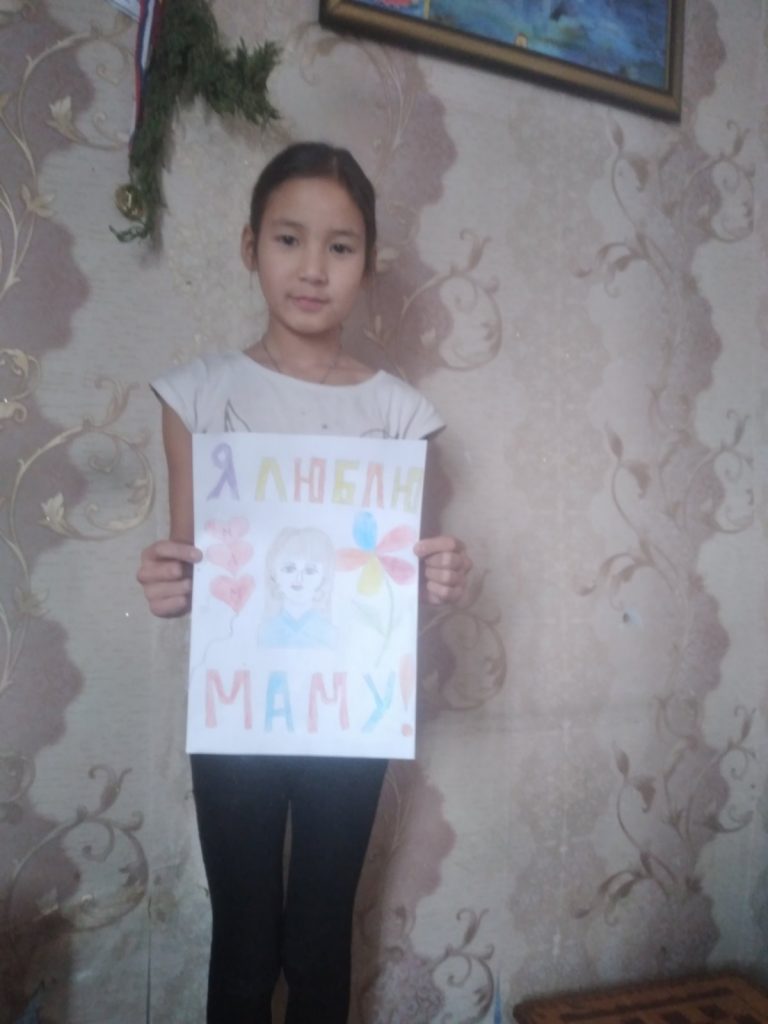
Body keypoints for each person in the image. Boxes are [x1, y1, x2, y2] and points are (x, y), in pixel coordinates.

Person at [137, 141, 472, 1024]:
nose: (313, 268)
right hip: (237, 716)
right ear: (250, 246)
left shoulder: (400, 412)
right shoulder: (196, 395)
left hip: (347, 716)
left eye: (341, 246)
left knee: (321, 944)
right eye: (289, 239)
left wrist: (438, 572)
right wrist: (169, 579)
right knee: (244, 946)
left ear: (369, 262)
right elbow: (198, 563)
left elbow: (386, 575)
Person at [258, 526, 337, 650]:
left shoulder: (329, 634)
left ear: (323, 578)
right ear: (274, 574)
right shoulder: (265, 633)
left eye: (310, 571)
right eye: (289, 569)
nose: (299, 578)